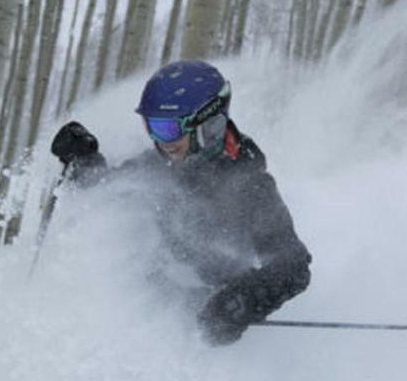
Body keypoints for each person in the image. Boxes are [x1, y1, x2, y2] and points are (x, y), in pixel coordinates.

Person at [50, 59, 311, 344]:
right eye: (153, 127)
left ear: (208, 124)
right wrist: (83, 160)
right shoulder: (161, 164)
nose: (162, 141)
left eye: (169, 129)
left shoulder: (250, 186)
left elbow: (293, 267)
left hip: (208, 318)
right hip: (153, 304)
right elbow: (109, 189)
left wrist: (241, 301)